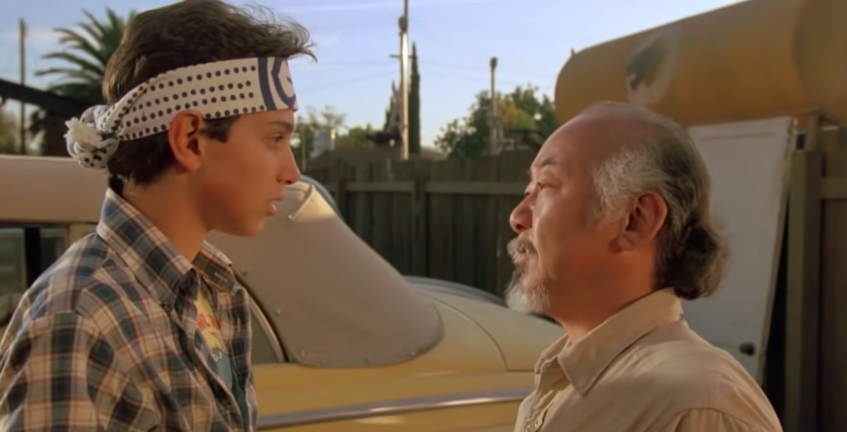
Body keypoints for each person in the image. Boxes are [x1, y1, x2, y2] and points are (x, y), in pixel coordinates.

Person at [0, 1, 311, 430]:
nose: (292, 172)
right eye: (275, 138)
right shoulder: (79, 322)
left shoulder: (215, 289)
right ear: (191, 140)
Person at [507, 101, 782, 432]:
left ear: (636, 220)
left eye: (545, 186)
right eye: (527, 190)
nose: (518, 217)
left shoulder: (696, 407)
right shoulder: (568, 381)